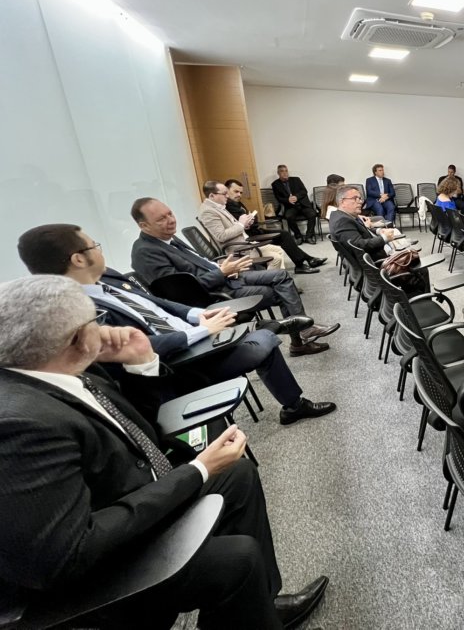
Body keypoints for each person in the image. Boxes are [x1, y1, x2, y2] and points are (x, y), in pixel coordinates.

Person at [0, 275, 329, 630]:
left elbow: (140, 432)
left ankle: (259, 606)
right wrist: (197, 470)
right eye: (96, 320)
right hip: (93, 572)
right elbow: (66, 554)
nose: (105, 328)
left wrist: (140, 362)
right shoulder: (20, 424)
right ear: (75, 338)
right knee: (238, 559)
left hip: (130, 500)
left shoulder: (63, 369)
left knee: (238, 474)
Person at [18, 225, 339, 422]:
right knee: (264, 344)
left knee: (259, 339)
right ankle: (276, 349)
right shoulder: (76, 312)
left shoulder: (107, 276)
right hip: (176, 362)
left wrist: (196, 315)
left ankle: (288, 390)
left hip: (189, 331)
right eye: (94, 245)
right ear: (78, 258)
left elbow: (156, 303)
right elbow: (136, 347)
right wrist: (200, 331)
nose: (99, 251)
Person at [129, 197, 338, 352]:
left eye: (170, 214)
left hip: (226, 277)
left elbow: (198, 264)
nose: (170, 220)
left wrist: (223, 268)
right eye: (161, 219)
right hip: (214, 294)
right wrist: (221, 273)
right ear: (143, 225)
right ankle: (300, 340)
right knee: (281, 292)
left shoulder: (167, 239)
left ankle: (303, 334)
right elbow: (182, 293)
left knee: (281, 277)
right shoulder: (146, 252)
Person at [224, 178, 326, 273]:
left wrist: (252, 219)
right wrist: (249, 221)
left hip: (255, 230)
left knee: (284, 235)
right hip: (250, 236)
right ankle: (303, 263)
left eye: (241, 192)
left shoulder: (237, 203)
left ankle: (307, 260)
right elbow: (242, 223)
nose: (239, 195)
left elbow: (252, 218)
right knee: (284, 235)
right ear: (226, 191)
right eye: (236, 191)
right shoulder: (228, 206)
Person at [198, 180, 291, 272]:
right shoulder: (208, 212)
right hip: (237, 250)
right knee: (276, 258)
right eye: (224, 194)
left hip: (243, 244)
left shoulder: (218, 206)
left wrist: (245, 224)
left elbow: (232, 226)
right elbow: (221, 236)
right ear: (212, 196)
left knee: (278, 250)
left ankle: (280, 277)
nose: (227, 196)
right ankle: (271, 278)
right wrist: (241, 224)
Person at [328, 185, 401, 262]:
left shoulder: (343, 215)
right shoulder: (342, 221)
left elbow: (362, 230)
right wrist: (384, 238)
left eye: (360, 198)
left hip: (381, 253)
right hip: (380, 261)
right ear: (342, 201)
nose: (360, 202)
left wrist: (378, 231)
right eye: (355, 198)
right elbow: (358, 246)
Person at [271, 164, 318, 244]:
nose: (285, 173)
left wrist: (296, 197)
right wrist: (288, 200)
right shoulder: (275, 184)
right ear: (278, 173)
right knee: (289, 216)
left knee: (312, 214)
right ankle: (298, 236)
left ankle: (309, 236)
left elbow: (304, 191)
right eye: (282, 171)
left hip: (303, 205)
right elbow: (278, 198)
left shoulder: (296, 179)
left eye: (286, 171)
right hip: (290, 207)